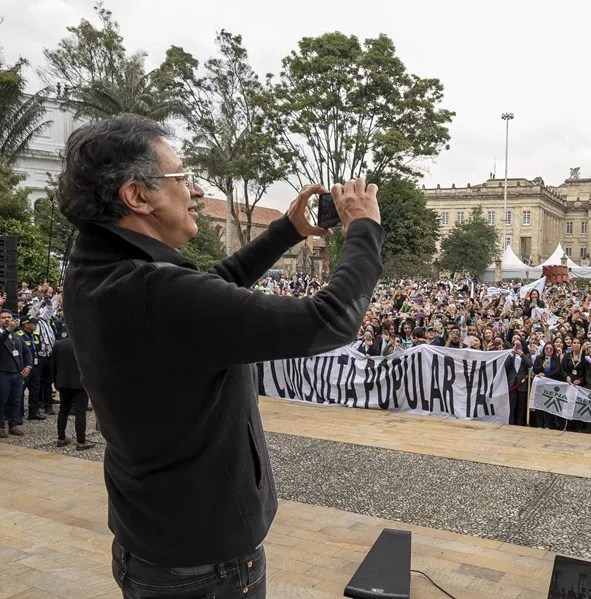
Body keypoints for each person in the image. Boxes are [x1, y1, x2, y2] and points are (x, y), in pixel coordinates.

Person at [58, 114, 383, 597]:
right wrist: (364, 231)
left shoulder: (98, 273)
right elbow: (331, 319)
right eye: (182, 179)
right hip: (206, 562)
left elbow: (207, 298)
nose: (194, 192)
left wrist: (284, 232)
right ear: (137, 196)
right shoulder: (156, 291)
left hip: (151, 538)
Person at [51, 336, 94, 450]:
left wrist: (56, 382)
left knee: (63, 410)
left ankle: (61, 438)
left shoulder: (58, 344)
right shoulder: (85, 344)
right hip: (80, 384)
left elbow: (53, 365)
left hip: (63, 382)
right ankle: (81, 442)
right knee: (80, 412)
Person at [0, 310, 31, 438]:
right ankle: (1, 426)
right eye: (3, 317)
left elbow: (27, 351)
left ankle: (13, 424)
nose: (7, 319)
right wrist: (8, 331)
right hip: (3, 374)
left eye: (9, 317)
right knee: (2, 401)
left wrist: (28, 366)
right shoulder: (3, 334)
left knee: (16, 401)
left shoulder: (17, 336)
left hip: (17, 374)